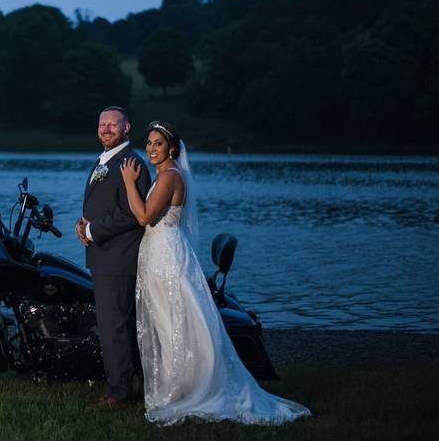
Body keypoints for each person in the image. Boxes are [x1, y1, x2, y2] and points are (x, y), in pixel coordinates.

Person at [120, 120, 311, 425]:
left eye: (158, 143)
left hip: (167, 258)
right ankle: (178, 388)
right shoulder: (163, 176)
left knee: (176, 325)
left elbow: (143, 215)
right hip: (156, 255)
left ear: (172, 148)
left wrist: (129, 182)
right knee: (167, 326)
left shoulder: (170, 176)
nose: (152, 149)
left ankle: (191, 389)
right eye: (149, 143)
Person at [75, 106, 151, 409]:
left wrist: (93, 231)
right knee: (118, 325)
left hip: (119, 258)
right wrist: (83, 223)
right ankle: (133, 384)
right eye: (102, 124)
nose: (106, 129)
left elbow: (132, 213)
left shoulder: (131, 162)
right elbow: (104, 203)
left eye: (113, 125)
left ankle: (119, 394)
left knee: (113, 327)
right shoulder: (106, 159)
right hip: (105, 255)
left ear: (127, 128)